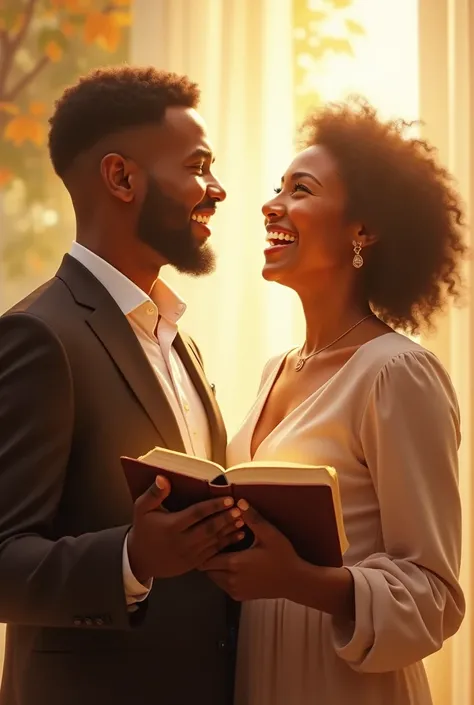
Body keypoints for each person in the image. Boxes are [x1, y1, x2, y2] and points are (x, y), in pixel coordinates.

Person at [201, 97, 467, 705]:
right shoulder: (275, 371)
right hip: (255, 674)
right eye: (278, 187)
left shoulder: (398, 373)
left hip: (342, 683)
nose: (273, 204)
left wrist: (301, 583)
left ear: (363, 230)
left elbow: (435, 596)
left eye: (302, 189)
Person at [0, 66, 243, 705]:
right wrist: (132, 557)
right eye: (198, 166)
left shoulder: (177, 339)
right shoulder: (37, 336)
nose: (216, 189)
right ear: (122, 177)